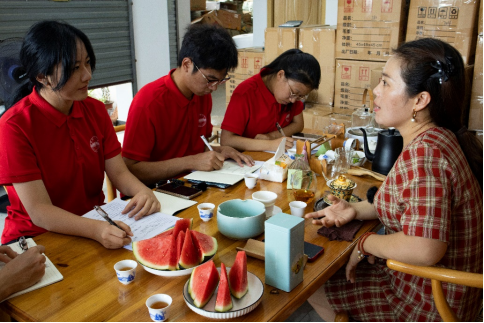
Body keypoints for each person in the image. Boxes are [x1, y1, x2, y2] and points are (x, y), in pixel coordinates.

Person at [305, 38, 483, 322]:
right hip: (438, 288)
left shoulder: (426, 155)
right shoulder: (438, 137)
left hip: (429, 301)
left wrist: (366, 243)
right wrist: (356, 210)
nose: (376, 90)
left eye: (386, 83)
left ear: (420, 100)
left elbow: (424, 247)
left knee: (310, 280)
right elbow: (409, 203)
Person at [0, 21, 160, 248]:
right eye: (74, 68)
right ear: (41, 76)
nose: (87, 76)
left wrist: (143, 192)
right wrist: (97, 230)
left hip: (95, 223)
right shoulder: (14, 126)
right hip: (37, 239)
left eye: (87, 64)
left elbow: (119, 173)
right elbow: (39, 212)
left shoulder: (94, 110)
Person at [122, 24, 254, 187]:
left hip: (191, 184)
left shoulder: (202, 95)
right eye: (210, 80)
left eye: (220, 81)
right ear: (186, 64)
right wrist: (190, 162)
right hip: (154, 194)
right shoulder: (149, 102)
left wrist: (219, 150)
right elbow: (130, 170)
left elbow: (198, 147)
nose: (214, 88)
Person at [220, 49, 321, 152]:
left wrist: (271, 136)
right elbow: (226, 140)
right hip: (248, 160)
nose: (294, 100)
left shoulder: (291, 95)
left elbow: (298, 124)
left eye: (300, 96)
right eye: (293, 92)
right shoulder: (246, 92)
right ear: (280, 75)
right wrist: (269, 144)